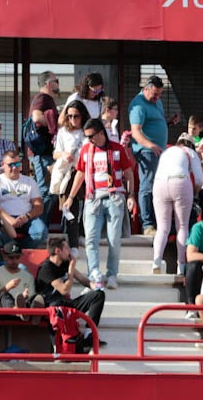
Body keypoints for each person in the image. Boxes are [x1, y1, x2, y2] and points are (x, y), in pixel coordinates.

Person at [64, 118, 136, 291]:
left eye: (91, 136)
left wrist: (131, 194)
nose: (89, 139)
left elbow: (128, 173)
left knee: (114, 240)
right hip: (92, 197)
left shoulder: (117, 149)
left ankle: (111, 274)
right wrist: (71, 197)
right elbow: (80, 174)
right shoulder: (86, 150)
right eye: (87, 136)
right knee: (91, 239)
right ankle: (94, 273)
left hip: (114, 197)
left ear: (101, 133)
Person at [127, 76, 169, 236]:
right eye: (154, 94)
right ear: (146, 89)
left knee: (159, 187)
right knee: (147, 186)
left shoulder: (156, 101)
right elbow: (136, 132)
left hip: (159, 151)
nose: (157, 98)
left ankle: (157, 221)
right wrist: (150, 145)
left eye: (159, 94)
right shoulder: (138, 105)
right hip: (147, 151)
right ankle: (147, 224)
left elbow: (155, 121)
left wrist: (169, 122)